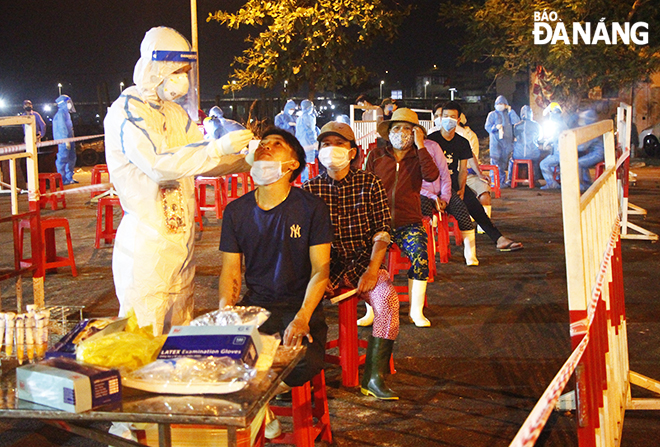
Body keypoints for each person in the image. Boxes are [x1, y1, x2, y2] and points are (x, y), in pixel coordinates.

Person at [104, 26, 254, 335]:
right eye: (177, 70)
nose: (182, 78)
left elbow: (200, 160)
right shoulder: (126, 113)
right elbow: (159, 165)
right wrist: (217, 147)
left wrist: (244, 160)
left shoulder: (174, 113)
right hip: (148, 242)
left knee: (179, 336)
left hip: (181, 242)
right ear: (155, 68)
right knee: (144, 338)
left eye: (186, 71)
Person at [218, 127, 332, 436]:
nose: (265, 148)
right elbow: (231, 272)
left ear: (293, 164)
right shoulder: (236, 211)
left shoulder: (311, 208)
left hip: (298, 305)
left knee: (303, 360)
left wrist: (303, 317)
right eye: (263, 144)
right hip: (256, 307)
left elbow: (321, 269)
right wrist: (226, 313)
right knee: (218, 358)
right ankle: (261, 409)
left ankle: (256, 405)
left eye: (277, 145)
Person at [303, 122, 399, 399]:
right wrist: (317, 276)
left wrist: (372, 271)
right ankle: (304, 373)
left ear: (353, 151)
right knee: (298, 305)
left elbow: (383, 231)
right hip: (324, 268)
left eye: (339, 143)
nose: (331, 149)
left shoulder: (370, 183)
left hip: (363, 264)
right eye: (325, 144)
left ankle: (373, 376)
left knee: (388, 302)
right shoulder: (310, 189)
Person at [366, 108, 439, 327]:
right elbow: (365, 185)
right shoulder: (376, 155)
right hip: (379, 223)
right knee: (365, 258)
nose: (401, 132)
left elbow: (432, 176)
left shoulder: (420, 156)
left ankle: (415, 311)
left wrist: (421, 145)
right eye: (396, 128)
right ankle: (371, 308)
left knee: (419, 253)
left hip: (409, 222)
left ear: (415, 132)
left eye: (407, 128)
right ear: (388, 132)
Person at [428, 102, 523, 252]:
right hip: (433, 185)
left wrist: (462, 189)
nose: (447, 119)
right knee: (456, 208)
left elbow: (463, 170)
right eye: (444, 116)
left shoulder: (462, 142)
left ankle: (498, 238)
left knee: (474, 205)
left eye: (452, 117)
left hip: (452, 183)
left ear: (458, 120)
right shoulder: (431, 140)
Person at [484, 95, 520, 185]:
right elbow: (487, 126)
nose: (500, 105)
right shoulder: (492, 115)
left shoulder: (508, 114)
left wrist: (510, 111)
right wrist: (494, 127)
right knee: (495, 160)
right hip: (495, 142)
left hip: (507, 141)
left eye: (502, 103)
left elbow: (516, 121)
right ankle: (495, 181)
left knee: (504, 161)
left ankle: (502, 181)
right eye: (498, 104)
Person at [511, 105, 542, 187]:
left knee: (512, 160)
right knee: (535, 161)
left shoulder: (516, 125)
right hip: (532, 154)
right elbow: (540, 137)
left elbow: (514, 137)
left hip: (518, 154)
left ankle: (511, 179)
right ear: (531, 113)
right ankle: (535, 179)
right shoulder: (536, 125)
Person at [539, 102, 568, 190]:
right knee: (552, 164)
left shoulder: (556, 123)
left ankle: (552, 183)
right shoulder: (562, 123)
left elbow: (556, 137)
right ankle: (559, 180)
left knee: (543, 164)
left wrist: (548, 141)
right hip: (565, 152)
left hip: (560, 154)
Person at [576, 109, 604, 191]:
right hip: (596, 153)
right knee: (582, 161)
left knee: (578, 163)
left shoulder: (592, 131)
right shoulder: (593, 129)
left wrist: (571, 145)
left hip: (598, 154)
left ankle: (581, 186)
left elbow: (583, 147)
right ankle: (587, 183)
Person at [53, 95, 77, 184]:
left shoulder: (66, 114)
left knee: (71, 158)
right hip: (63, 141)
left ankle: (69, 177)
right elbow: (62, 127)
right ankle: (62, 179)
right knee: (63, 158)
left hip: (70, 139)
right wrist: (65, 139)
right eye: (68, 103)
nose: (70, 104)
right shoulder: (60, 114)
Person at [295, 99, 319, 182]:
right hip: (309, 145)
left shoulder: (299, 118)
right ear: (310, 107)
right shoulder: (308, 117)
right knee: (309, 165)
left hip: (301, 145)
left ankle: (302, 183)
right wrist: (315, 142)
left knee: (302, 165)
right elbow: (310, 131)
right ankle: (308, 184)